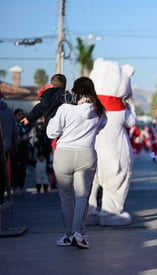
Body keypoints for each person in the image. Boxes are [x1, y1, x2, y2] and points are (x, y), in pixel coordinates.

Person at [47, 77, 106, 249]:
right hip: (86, 154)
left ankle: (68, 235)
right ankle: (79, 234)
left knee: (66, 198)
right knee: (82, 197)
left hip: (63, 153)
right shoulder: (99, 110)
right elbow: (101, 127)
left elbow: (52, 133)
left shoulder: (65, 108)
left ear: (74, 92)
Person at [0, 89, 18, 193]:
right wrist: (14, 145)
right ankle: (1, 195)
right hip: (5, 146)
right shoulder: (8, 111)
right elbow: (15, 131)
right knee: (2, 172)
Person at [10, 109, 31, 194]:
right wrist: (21, 139)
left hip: (24, 148)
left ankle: (21, 186)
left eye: (22, 114)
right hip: (17, 149)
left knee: (23, 168)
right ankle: (15, 186)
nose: (21, 116)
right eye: (19, 114)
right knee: (16, 168)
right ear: (15, 116)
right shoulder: (13, 126)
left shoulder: (24, 126)